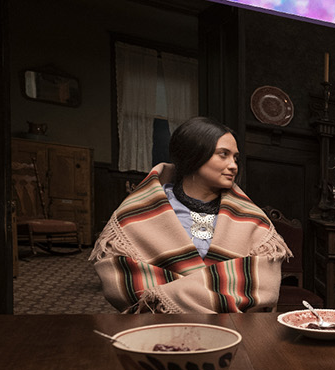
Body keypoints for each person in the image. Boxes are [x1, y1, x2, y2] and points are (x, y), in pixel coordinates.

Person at [91, 116, 290, 313]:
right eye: (223, 154)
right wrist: (213, 293)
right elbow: (121, 279)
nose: (233, 165)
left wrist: (172, 293)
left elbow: (264, 283)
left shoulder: (251, 218)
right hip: (159, 323)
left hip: (233, 325)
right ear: (194, 154)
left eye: (235, 158)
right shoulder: (142, 210)